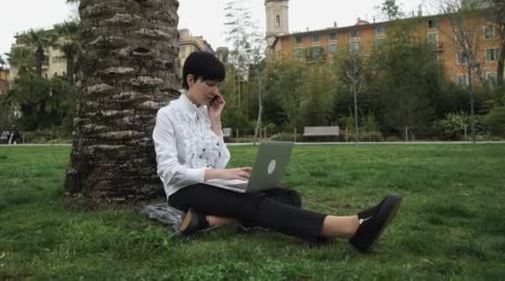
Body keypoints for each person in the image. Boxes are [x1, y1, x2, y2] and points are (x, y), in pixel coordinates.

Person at [152, 51, 402, 253]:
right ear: (191, 79)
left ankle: (207, 221)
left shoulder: (206, 114)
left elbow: (222, 159)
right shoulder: (168, 116)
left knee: (288, 196)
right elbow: (169, 171)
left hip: (216, 187)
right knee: (252, 202)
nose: (215, 92)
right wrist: (220, 175)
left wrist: (216, 122)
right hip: (184, 192)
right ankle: (347, 228)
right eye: (210, 84)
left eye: (217, 85)